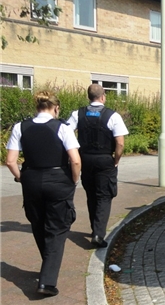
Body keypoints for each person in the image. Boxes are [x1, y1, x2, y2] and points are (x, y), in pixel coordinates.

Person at [6, 89, 81, 297]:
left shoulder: (20, 127)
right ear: (56, 108)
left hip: (30, 179)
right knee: (57, 229)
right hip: (58, 179)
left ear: (37, 107)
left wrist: (21, 177)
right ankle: (47, 282)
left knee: (38, 225)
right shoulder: (63, 128)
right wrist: (73, 180)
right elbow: (75, 159)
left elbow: (10, 161)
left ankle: (47, 264)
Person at [67, 83, 129, 248]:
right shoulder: (113, 116)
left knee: (91, 194)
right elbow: (120, 143)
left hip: (85, 158)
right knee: (104, 195)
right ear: (103, 97)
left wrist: (73, 153)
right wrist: (116, 160)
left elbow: (65, 133)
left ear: (89, 97)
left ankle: (95, 228)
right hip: (104, 160)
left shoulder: (77, 114)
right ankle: (98, 234)